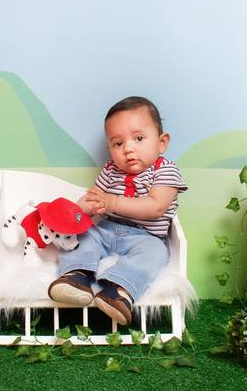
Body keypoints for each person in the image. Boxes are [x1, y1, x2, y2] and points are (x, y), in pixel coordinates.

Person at [48, 96, 187, 325]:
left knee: (155, 254)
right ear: (110, 148)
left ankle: (118, 290)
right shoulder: (111, 170)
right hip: (106, 229)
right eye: (118, 143)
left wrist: (112, 202)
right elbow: (94, 198)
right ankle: (76, 276)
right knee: (84, 237)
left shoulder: (166, 171)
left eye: (139, 138)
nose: (128, 149)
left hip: (146, 237)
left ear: (162, 142)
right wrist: (78, 211)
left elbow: (156, 207)